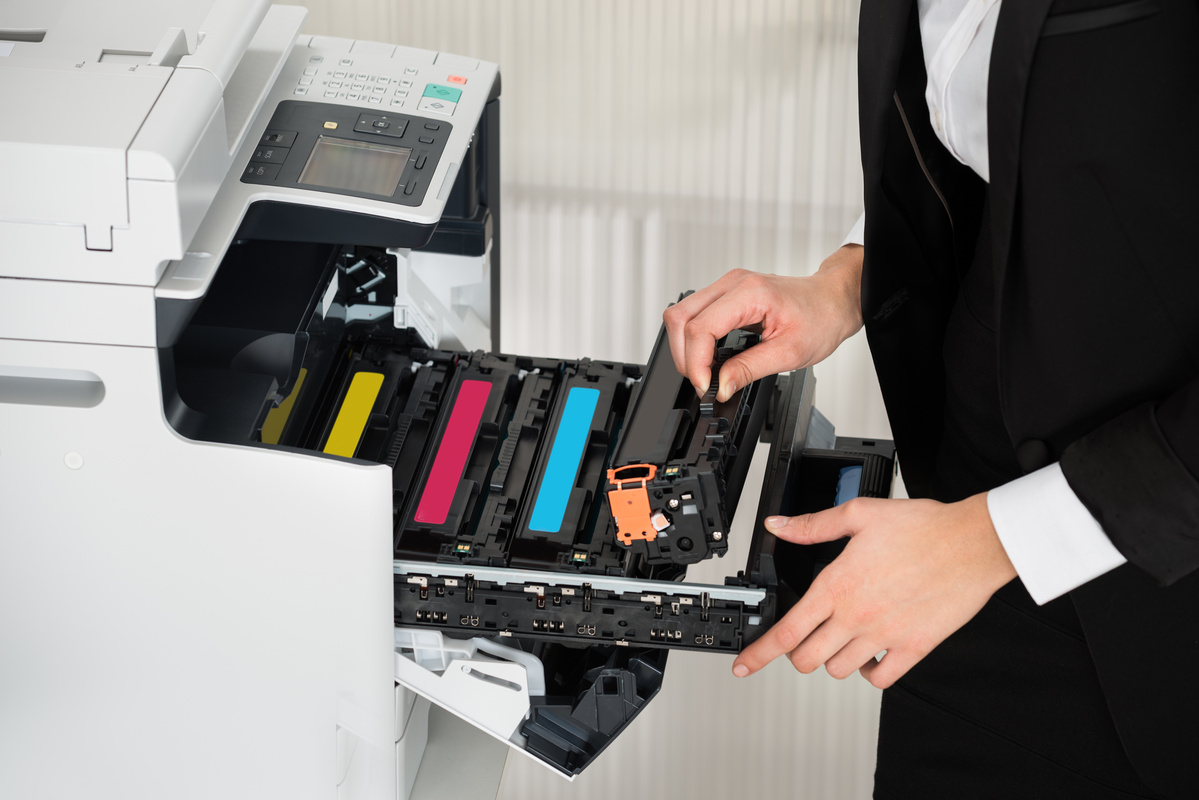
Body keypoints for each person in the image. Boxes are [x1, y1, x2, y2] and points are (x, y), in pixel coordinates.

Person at [663, 1, 1199, 797]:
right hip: (965, 502)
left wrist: (997, 540)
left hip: (1161, 580)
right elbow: (1005, 130)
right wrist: (845, 279)